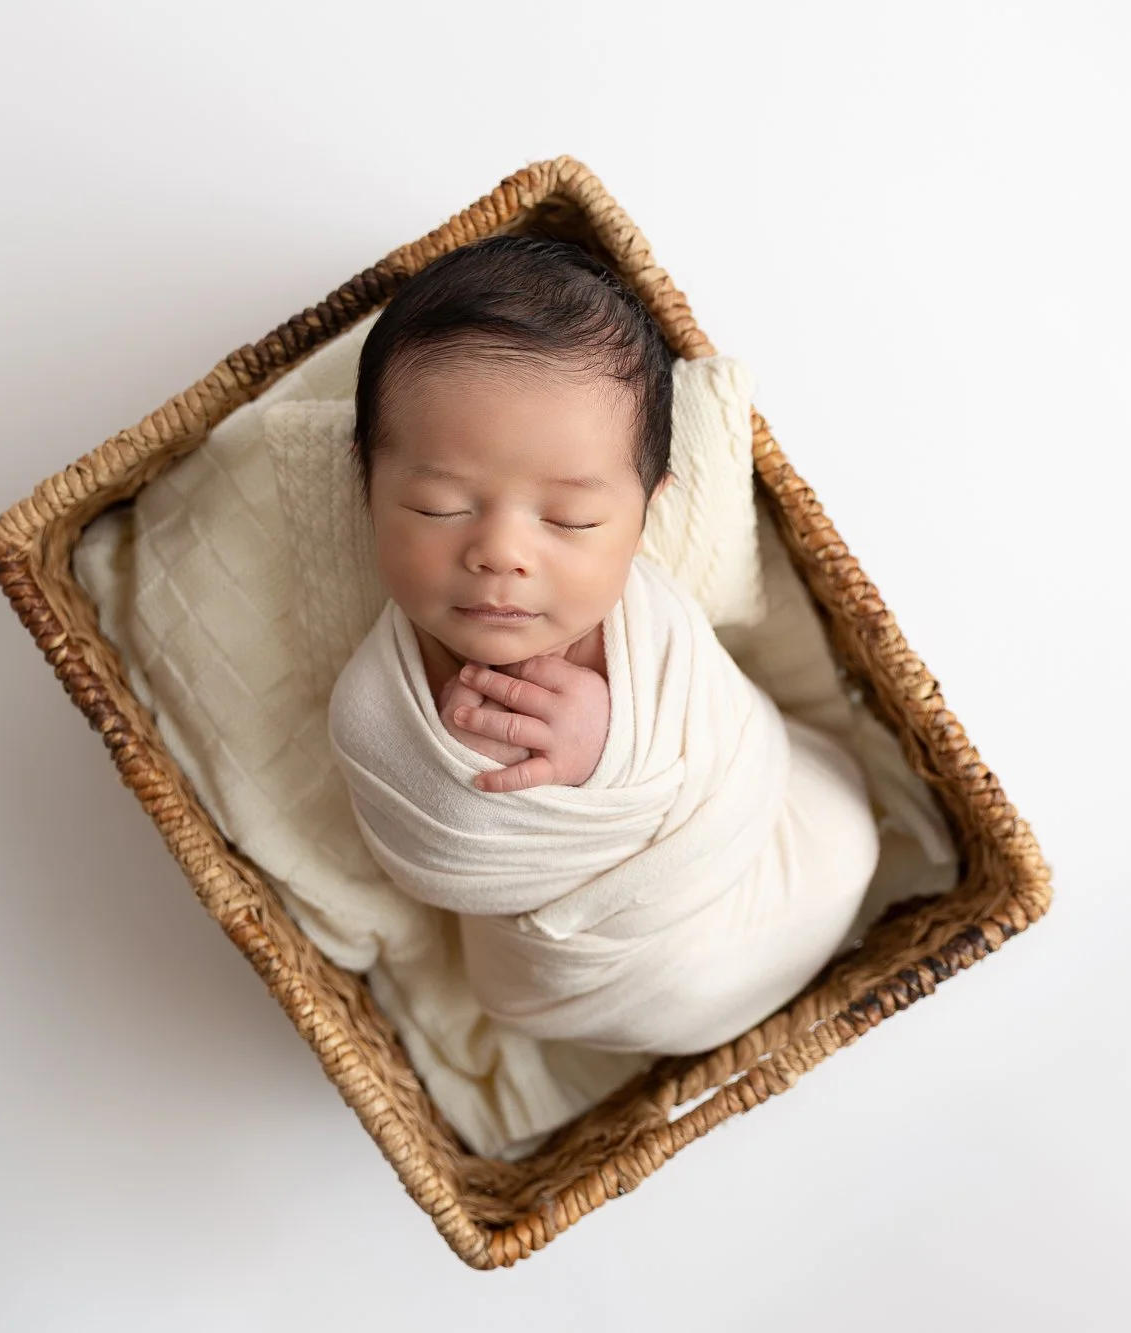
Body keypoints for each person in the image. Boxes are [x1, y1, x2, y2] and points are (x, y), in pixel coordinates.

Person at [327, 234, 878, 1055]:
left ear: (645, 511)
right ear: (367, 486)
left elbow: (727, 733)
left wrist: (614, 750)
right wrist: (483, 798)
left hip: (765, 852)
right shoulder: (376, 708)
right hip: (599, 989)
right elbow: (429, 855)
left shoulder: (652, 625)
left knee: (842, 831)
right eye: (441, 505)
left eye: (572, 519)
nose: (502, 552)